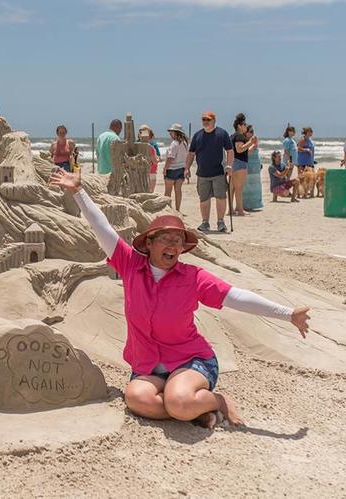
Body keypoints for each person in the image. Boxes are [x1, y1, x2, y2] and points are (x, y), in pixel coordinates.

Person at [49, 168, 310, 429]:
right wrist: (78, 191)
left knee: (179, 400)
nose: (173, 246)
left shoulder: (193, 277)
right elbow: (101, 227)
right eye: (166, 239)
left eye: (178, 242)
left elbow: (236, 297)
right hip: (148, 365)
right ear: (149, 243)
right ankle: (196, 412)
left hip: (190, 360)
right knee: (137, 399)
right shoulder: (130, 264)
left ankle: (217, 401)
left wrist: (288, 314)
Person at [185, 111, 234, 233]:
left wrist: (229, 165)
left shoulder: (222, 134)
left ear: (214, 121)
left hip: (218, 172)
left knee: (221, 197)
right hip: (202, 173)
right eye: (203, 120)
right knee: (204, 198)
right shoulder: (197, 136)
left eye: (208, 119)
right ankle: (205, 222)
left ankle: (220, 222)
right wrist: (186, 168)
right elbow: (191, 153)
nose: (205, 122)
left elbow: (230, 150)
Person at [229, 113, 255, 216]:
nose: (245, 126)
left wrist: (250, 145)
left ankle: (231, 209)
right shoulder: (239, 136)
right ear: (239, 126)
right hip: (239, 163)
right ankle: (240, 210)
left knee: (231, 188)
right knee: (239, 188)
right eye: (244, 124)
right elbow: (239, 149)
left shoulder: (232, 136)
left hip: (232, 162)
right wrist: (251, 142)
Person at [163, 123, 189, 212]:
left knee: (167, 192)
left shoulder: (174, 143)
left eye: (171, 132)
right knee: (178, 191)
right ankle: (178, 210)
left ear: (176, 133)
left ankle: (167, 209)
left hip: (172, 170)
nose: (170, 133)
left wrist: (165, 168)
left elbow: (170, 157)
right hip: (181, 169)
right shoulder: (185, 143)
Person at [242, 125, 263, 211]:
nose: (251, 133)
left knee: (256, 184)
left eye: (252, 132)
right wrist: (252, 144)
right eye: (250, 131)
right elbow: (245, 153)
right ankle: (246, 205)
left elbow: (257, 152)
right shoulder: (243, 142)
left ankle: (255, 204)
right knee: (247, 185)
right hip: (248, 165)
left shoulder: (254, 141)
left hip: (255, 165)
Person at [139, 124, 159, 192]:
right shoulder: (151, 147)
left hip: (140, 172)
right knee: (150, 192)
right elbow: (155, 161)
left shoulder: (137, 146)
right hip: (151, 171)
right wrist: (158, 159)